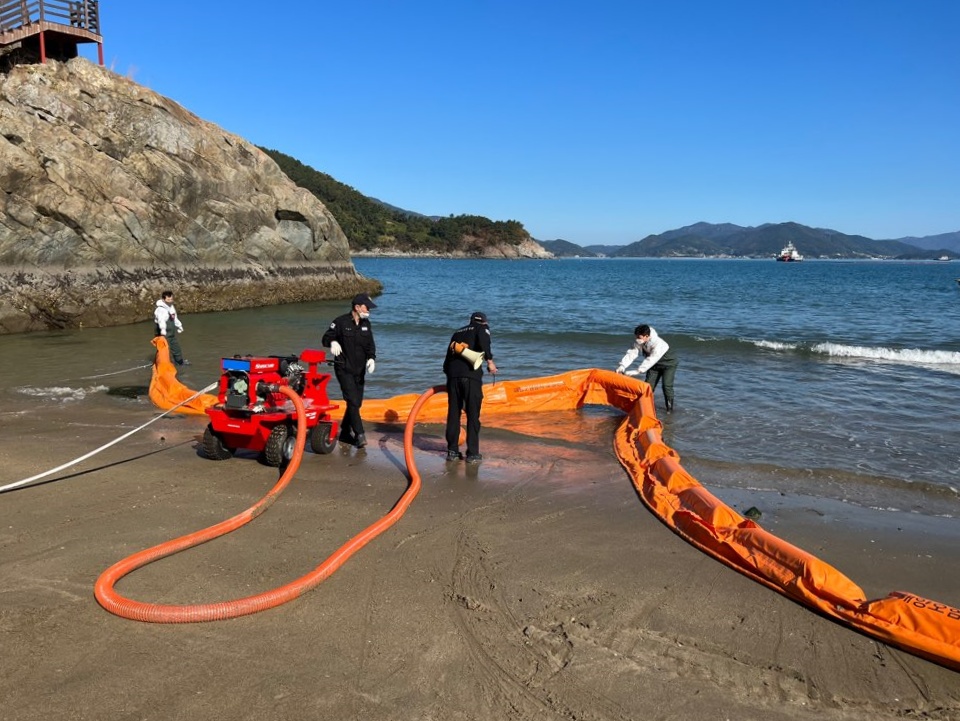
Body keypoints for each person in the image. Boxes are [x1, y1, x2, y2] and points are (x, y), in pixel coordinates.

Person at [322, 293, 378, 448]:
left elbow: (370, 345)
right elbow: (325, 338)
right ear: (357, 307)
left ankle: (345, 431)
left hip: (360, 371)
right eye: (367, 307)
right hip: (343, 368)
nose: (369, 311)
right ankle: (359, 434)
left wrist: (372, 358)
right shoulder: (340, 322)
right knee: (352, 401)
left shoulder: (366, 324)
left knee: (356, 403)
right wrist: (333, 341)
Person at [443, 311, 498, 464]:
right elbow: (484, 342)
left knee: (454, 414)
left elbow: (447, 359)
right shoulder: (482, 329)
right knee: (473, 415)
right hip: (470, 377)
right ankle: (473, 453)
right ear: (484, 322)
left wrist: (450, 376)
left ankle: (452, 452)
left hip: (453, 376)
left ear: (470, 320)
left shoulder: (457, 332)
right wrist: (490, 362)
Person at [616, 324, 679, 412]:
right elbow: (632, 353)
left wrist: (638, 371)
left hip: (668, 363)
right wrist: (622, 366)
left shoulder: (658, 343)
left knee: (666, 386)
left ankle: (669, 410)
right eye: (636, 337)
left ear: (647, 336)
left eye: (639, 337)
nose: (637, 339)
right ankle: (644, 408)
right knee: (648, 386)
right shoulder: (639, 341)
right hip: (654, 366)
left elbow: (651, 359)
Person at [154, 290, 187, 366]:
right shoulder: (160, 310)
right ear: (163, 299)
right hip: (162, 334)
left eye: (171, 299)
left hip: (171, 334)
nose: (170, 301)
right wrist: (162, 330)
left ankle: (180, 362)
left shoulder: (171, 307)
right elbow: (161, 321)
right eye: (168, 299)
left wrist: (179, 326)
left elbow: (174, 318)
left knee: (176, 348)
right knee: (164, 351)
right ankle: (162, 365)